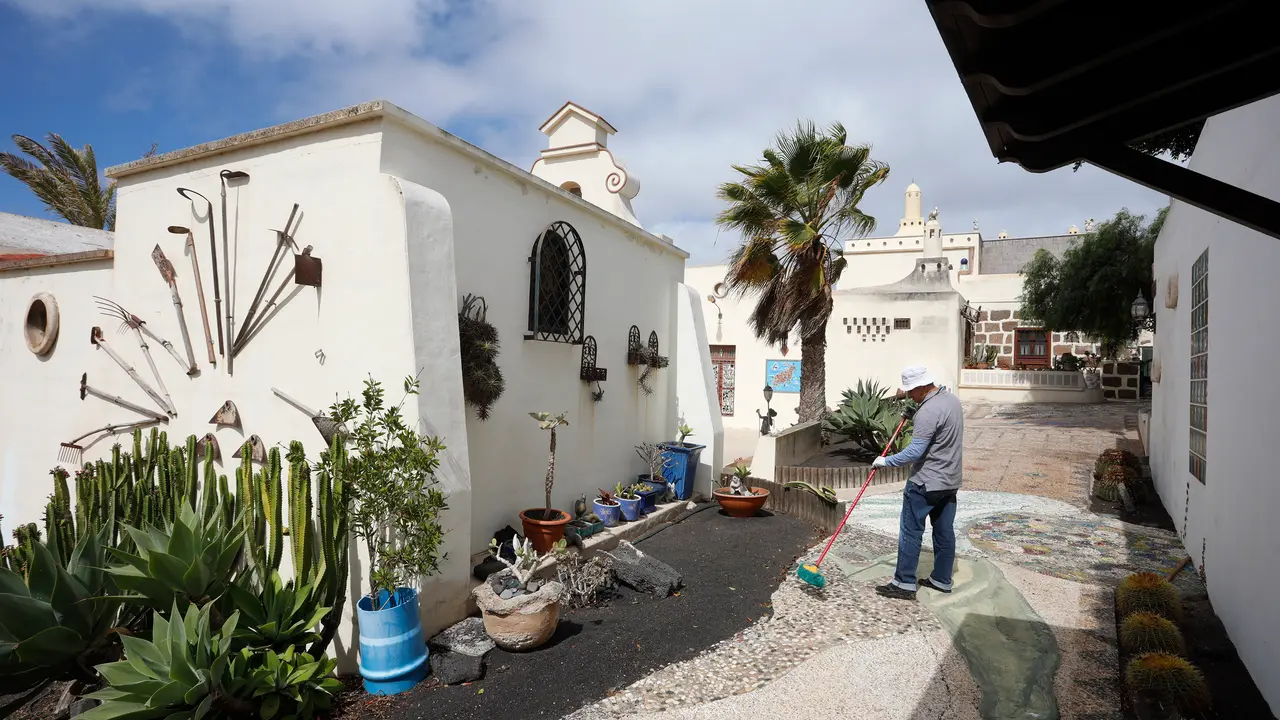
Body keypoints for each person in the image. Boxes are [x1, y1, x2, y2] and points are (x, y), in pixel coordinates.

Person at [872, 365, 964, 600]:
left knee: (911, 531)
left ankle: (903, 583)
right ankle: (942, 579)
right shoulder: (952, 401)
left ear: (922, 387)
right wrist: (914, 414)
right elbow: (939, 428)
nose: (910, 395)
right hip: (949, 481)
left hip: (925, 484)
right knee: (944, 532)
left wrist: (885, 461)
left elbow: (915, 451)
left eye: (911, 391)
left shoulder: (927, 412)